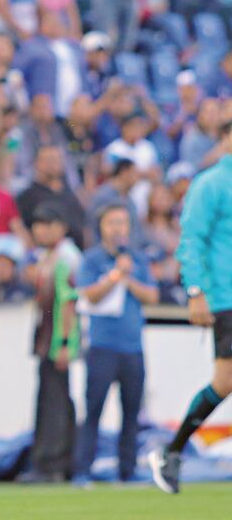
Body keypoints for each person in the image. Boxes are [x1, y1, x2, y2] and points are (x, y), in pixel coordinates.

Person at [150, 124, 232, 494]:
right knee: (224, 382)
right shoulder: (211, 184)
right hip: (225, 296)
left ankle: (172, 451)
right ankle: (172, 450)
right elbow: (191, 240)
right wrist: (196, 291)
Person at [75, 205, 159, 484]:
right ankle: (83, 469)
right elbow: (90, 295)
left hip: (132, 347)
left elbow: (152, 296)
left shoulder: (137, 259)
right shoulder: (91, 260)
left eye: (122, 223)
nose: (118, 229)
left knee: (132, 412)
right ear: (102, 227)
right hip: (102, 346)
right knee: (94, 409)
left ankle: (128, 470)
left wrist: (128, 277)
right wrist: (114, 276)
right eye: (112, 223)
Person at [22, 204, 81, 483]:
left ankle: (53, 464)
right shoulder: (48, 256)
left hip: (56, 340)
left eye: (48, 224)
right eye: (38, 224)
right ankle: (50, 461)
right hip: (48, 338)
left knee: (55, 401)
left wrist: (66, 343)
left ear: (61, 227)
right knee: (51, 398)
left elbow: (68, 303)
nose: (42, 230)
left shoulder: (65, 257)